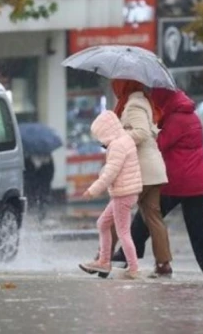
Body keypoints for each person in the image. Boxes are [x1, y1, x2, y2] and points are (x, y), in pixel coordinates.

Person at [113, 88, 203, 281]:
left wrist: (148, 129)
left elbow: (159, 144)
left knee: (148, 214)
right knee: (196, 227)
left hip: (178, 181)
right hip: (196, 182)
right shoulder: (189, 116)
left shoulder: (177, 119)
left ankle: (124, 257)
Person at [109, 79, 172, 277]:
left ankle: (103, 257)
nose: (115, 88)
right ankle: (163, 264)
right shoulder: (145, 102)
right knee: (153, 217)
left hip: (141, 170)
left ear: (124, 85)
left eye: (117, 84)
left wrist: (117, 140)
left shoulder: (134, 104)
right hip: (153, 169)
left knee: (114, 213)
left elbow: (142, 133)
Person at [79, 110, 143, 280]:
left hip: (123, 194)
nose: (100, 140)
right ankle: (104, 261)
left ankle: (133, 268)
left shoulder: (117, 145)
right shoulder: (125, 139)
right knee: (102, 224)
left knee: (123, 232)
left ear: (106, 131)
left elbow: (110, 173)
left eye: (100, 135)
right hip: (126, 192)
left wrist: (92, 190)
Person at [23, 153, 54, 221]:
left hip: (42, 183)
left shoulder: (47, 162)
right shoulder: (29, 159)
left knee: (42, 198)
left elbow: (50, 172)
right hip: (38, 184)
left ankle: (41, 215)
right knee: (39, 198)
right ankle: (38, 214)